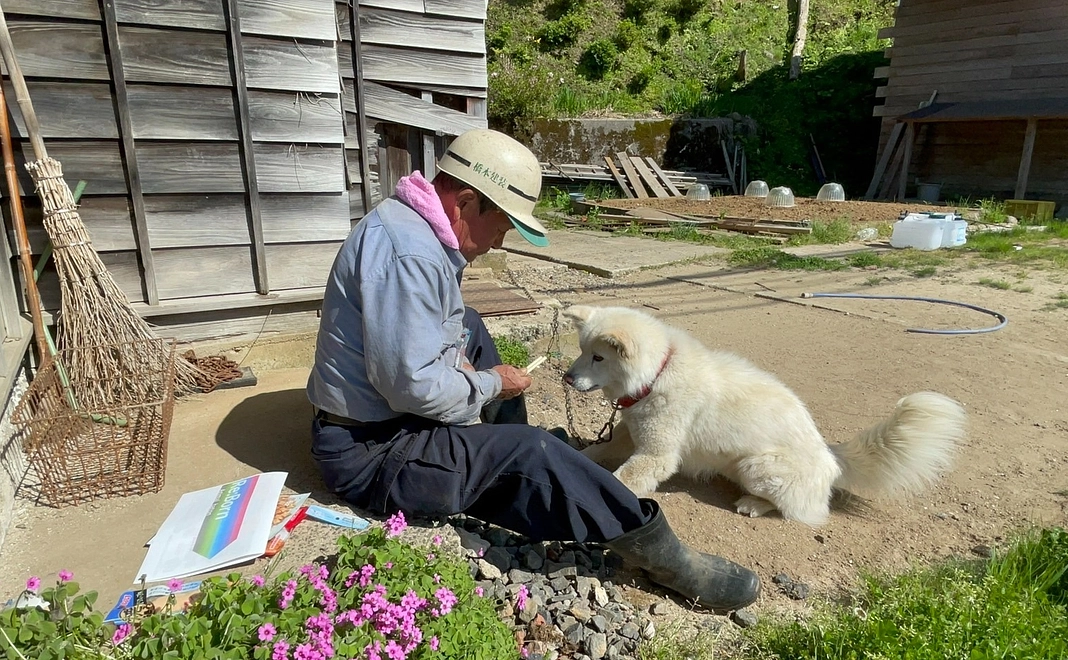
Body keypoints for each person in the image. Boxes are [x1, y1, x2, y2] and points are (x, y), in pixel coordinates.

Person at [306, 128, 760, 612]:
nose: (500, 243)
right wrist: (490, 383)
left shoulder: (417, 229)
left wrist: (469, 370)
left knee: (474, 327)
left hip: (384, 419)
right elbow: (412, 387)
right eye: (502, 226)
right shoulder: (410, 254)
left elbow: (440, 335)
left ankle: (510, 458)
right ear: (465, 203)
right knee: (533, 449)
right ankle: (662, 554)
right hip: (372, 453)